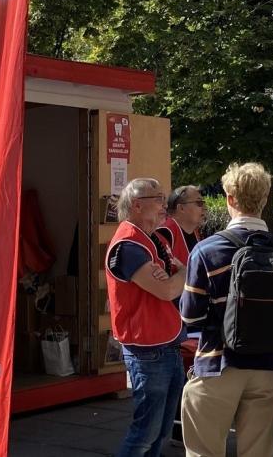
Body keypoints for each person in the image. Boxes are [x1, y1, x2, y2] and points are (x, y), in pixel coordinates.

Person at [179, 162, 273, 457]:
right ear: (264, 200)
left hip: (218, 365)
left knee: (204, 451)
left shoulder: (207, 250)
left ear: (229, 199)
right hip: (269, 368)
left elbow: (190, 317)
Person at [105, 178, 188, 457]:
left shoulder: (153, 239)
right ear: (137, 205)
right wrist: (183, 275)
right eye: (158, 198)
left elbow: (172, 281)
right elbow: (167, 290)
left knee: (161, 431)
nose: (165, 205)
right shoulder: (129, 246)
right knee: (146, 433)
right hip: (148, 350)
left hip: (165, 346)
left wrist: (177, 277)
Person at [155, 185, 206, 446]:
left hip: (190, 315)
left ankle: (178, 427)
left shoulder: (195, 233)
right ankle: (172, 429)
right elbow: (165, 274)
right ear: (181, 208)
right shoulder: (166, 231)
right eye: (198, 202)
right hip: (172, 315)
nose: (203, 206)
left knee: (184, 374)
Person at [156, 185, 207, 262]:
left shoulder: (197, 233)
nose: (205, 207)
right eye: (199, 203)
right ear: (181, 208)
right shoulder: (165, 233)